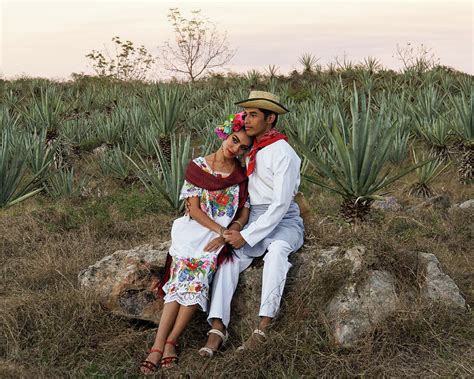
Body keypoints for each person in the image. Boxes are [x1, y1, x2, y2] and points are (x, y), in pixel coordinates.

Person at [140, 112, 253, 375]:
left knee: (196, 283)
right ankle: (158, 345)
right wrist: (220, 230)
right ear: (225, 134)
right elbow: (193, 208)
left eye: (242, 147)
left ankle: (170, 341)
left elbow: (244, 209)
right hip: (194, 231)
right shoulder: (198, 167)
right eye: (234, 140)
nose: (234, 148)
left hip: (219, 236)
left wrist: (230, 231)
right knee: (178, 286)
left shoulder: (240, 175)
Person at [200, 91, 304, 355]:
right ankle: (217, 328)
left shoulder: (284, 153)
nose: (247, 119)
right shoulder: (251, 149)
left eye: (254, 115)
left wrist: (247, 235)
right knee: (229, 260)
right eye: (246, 114)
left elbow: (281, 204)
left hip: (283, 219)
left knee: (278, 252)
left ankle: (263, 327)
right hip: (255, 217)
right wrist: (238, 227)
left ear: (270, 118)